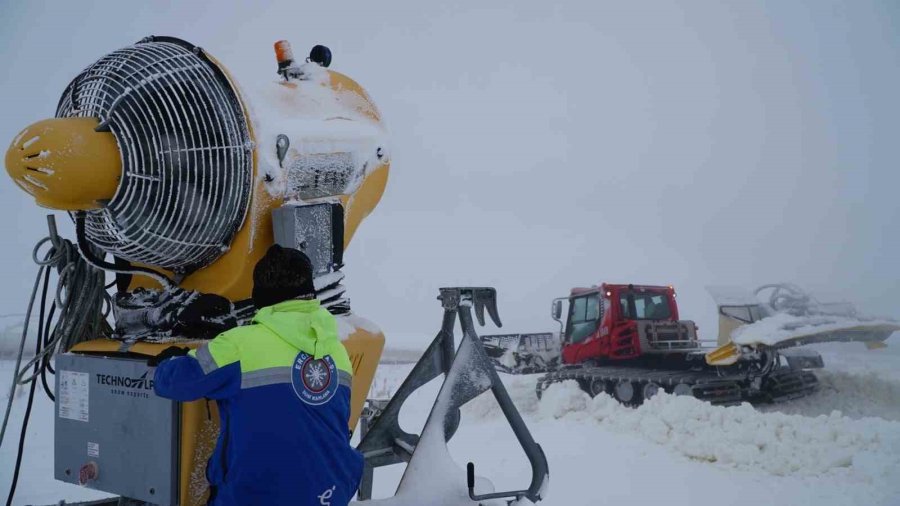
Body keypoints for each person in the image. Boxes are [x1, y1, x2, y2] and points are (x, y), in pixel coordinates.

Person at [153, 245, 363, 506]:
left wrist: (170, 361)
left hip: (258, 495)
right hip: (329, 493)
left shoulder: (240, 345)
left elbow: (175, 383)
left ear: (259, 295)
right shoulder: (335, 349)